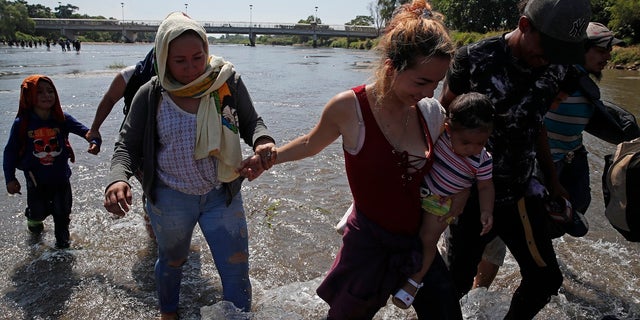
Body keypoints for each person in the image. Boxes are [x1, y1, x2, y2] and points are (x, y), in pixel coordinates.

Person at [242, 1, 463, 318]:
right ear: (391, 67)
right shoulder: (350, 108)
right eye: (422, 82)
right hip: (368, 244)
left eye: (438, 82)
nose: (431, 93)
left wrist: (465, 196)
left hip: (417, 244)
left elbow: (454, 165)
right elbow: (310, 143)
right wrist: (268, 159)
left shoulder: (431, 113)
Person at [103, 12, 275, 319]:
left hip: (222, 194)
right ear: (163, 58)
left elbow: (252, 122)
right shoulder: (152, 93)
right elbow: (125, 145)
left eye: (198, 57)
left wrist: (262, 141)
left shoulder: (226, 82)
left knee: (236, 266)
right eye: (179, 60)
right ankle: (168, 312)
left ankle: (238, 316)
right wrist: (119, 179)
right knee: (172, 261)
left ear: (207, 50)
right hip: (170, 197)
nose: (192, 67)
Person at [439, 0, 591, 318]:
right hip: (469, 195)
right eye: (547, 47)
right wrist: (436, 180)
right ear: (524, 26)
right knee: (454, 283)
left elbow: (536, 124)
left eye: (561, 52)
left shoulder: (559, 66)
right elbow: (441, 119)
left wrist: (553, 180)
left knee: (546, 278)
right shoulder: (473, 59)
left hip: (521, 192)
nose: (550, 58)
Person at [472, 21, 635, 290]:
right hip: (529, 164)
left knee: (571, 211)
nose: (609, 56)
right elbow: (529, 122)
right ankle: (480, 289)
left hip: (569, 158)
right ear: (580, 49)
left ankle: (532, 250)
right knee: (496, 235)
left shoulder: (583, 85)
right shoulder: (549, 76)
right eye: (603, 49)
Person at [392, 92, 495, 309]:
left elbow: (485, 186)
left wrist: (486, 211)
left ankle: (413, 282)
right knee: (397, 229)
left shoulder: (483, 159)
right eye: (466, 142)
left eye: (480, 143)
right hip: (415, 192)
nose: (472, 149)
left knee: (428, 239)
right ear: (449, 129)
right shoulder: (440, 136)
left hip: (440, 203)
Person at [3, 75, 100, 249]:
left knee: (62, 214)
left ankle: (63, 249)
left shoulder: (61, 118)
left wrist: (94, 141)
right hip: (35, 180)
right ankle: (32, 217)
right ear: (28, 96)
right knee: (39, 212)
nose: (46, 95)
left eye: (50, 91)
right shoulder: (23, 123)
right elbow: (10, 152)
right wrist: (10, 178)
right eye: (39, 92)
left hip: (61, 178)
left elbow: (85, 131)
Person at [87, 48, 156, 238]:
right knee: (152, 190)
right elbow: (109, 99)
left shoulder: (195, 75)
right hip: (139, 145)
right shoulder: (132, 74)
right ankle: (155, 240)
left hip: (171, 145)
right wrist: (95, 129)